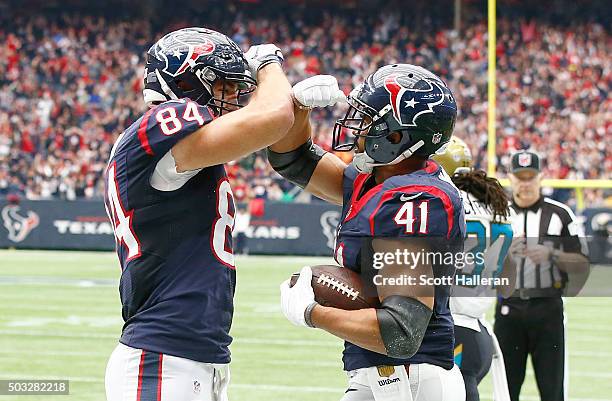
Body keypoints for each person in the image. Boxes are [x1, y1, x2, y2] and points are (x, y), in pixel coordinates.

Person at [103, 27, 295, 401]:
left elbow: (277, 128)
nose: (232, 98)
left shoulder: (175, 148)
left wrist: (296, 105)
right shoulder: (165, 121)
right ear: (186, 83)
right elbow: (273, 118)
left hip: (190, 354)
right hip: (163, 356)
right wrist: (269, 65)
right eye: (222, 86)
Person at [270, 66, 466, 400]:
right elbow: (292, 159)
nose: (357, 127)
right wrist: (297, 107)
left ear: (396, 136)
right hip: (386, 374)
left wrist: (312, 313)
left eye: (369, 119)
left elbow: (402, 330)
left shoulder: (415, 199)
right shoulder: (374, 179)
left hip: (412, 379)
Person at [494, 150, 589, 401]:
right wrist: (503, 254)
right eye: (520, 177)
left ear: (541, 177)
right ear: (510, 178)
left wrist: (552, 254)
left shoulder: (560, 214)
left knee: (553, 389)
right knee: (505, 390)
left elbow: (582, 263)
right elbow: (478, 263)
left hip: (547, 311)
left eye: (530, 177)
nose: (525, 183)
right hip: (508, 311)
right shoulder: (497, 214)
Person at [433, 137, 514, 401]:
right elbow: (509, 280)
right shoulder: (498, 207)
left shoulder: (443, 204)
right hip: (478, 333)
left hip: (448, 332)